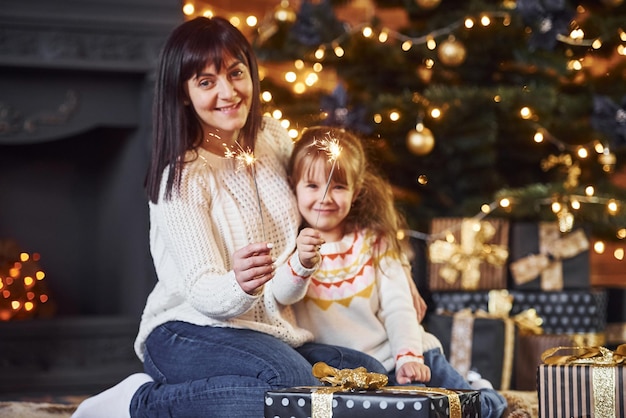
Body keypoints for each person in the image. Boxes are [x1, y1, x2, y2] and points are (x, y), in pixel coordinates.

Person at [72, 16, 385, 418]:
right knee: (289, 387)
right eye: (206, 82)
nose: (228, 92)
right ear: (183, 93)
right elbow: (203, 291)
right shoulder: (182, 177)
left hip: (269, 330)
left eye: (236, 73)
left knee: (367, 374)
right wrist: (238, 282)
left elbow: (324, 199)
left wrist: (390, 265)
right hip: (185, 330)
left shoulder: (272, 138)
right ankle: (138, 403)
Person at [284, 126, 508, 418]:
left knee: (470, 410)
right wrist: (301, 261)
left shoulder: (376, 242)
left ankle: (487, 393)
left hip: (406, 354)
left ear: (357, 191)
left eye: (338, 187)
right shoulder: (291, 246)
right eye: (312, 186)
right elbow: (281, 293)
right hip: (354, 374)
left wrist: (409, 357)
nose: (325, 197)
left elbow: (398, 305)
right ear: (293, 186)